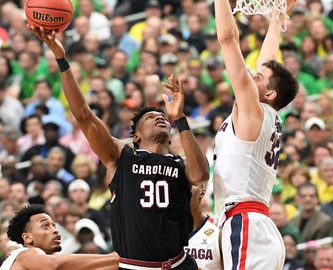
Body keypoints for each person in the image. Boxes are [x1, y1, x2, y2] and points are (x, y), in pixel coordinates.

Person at [29, 26, 209, 269]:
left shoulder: (179, 164)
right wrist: (61, 59)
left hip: (179, 264)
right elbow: (83, 115)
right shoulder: (121, 157)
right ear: (135, 137)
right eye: (150, 118)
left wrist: (181, 119)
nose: (159, 118)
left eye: (163, 117)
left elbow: (201, 175)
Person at [213, 0, 299, 269]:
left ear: (269, 93)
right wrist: (276, 19)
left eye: (258, 77)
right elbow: (267, 64)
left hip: (247, 223)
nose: (252, 75)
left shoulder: (253, 109)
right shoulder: (263, 111)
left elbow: (228, 39)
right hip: (251, 224)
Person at [0, 204, 118, 270]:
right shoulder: (25, 254)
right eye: (45, 226)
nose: (55, 230)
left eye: (54, 225)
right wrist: (115, 257)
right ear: (27, 238)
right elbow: (55, 264)